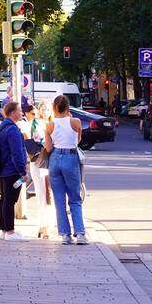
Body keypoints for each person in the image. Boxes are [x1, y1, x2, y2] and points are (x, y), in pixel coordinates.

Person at [45, 94, 87, 244]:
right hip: (70, 157)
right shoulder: (76, 122)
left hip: (55, 158)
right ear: (68, 108)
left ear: (54, 108)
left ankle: (65, 235)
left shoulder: (49, 125)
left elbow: (48, 147)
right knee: (75, 198)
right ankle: (80, 233)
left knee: (59, 199)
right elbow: (78, 140)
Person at [0, 100, 30, 240]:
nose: (22, 113)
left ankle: (4, 230)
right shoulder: (13, 130)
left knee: (4, 199)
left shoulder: (2, 127)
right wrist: (23, 171)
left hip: (2, 169)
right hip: (12, 170)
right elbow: (17, 153)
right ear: (13, 113)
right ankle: (10, 232)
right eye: (20, 110)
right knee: (10, 201)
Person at [26, 101, 53, 239]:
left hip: (49, 161)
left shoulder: (52, 123)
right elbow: (39, 140)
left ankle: (45, 225)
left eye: (48, 109)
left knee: (48, 195)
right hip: (40, 161)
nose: (46, 111)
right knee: (43, 194)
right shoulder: (37, 123)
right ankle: (44, 226)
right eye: (43, 108)